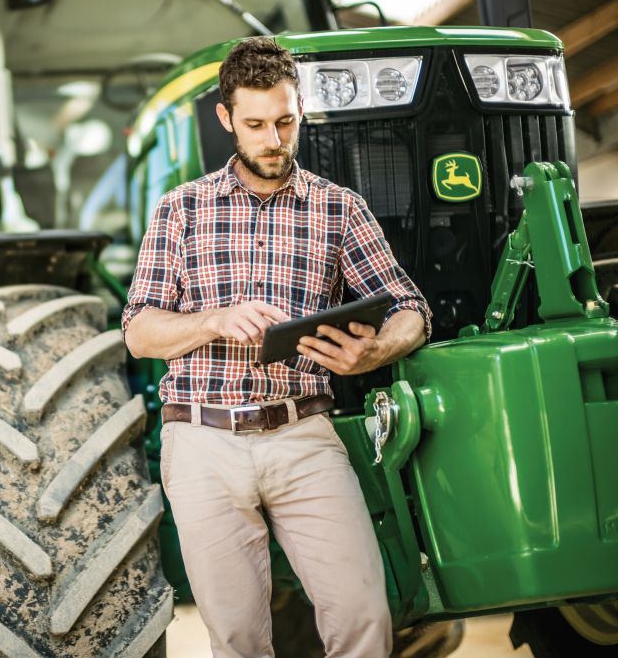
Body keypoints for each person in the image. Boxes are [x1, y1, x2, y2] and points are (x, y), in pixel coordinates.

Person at [121, 37, 432, 658]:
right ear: (226, 119)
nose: (274, 139)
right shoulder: (180, 210)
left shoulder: (339, 208)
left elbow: (412, 311)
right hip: (203, 443)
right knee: (238, 639)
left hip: (304, 438)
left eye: (286, 121)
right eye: (257, 124)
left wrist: (373, 354)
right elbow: (138, 329)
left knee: (365, 618)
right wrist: (213, 320)